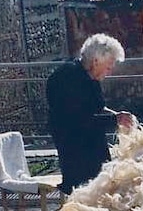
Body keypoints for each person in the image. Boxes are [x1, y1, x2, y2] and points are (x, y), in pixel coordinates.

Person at [46, 33, 135, 194]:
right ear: (96, 61)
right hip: (75, 150)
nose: (110, 71)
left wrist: (117, 115)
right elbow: (79, 120)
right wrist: (114, 119)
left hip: (92, 145)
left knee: (105, 186)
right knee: (86, 194)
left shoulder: (91, 78)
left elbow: (97, 108)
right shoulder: (66, 78)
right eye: (108, 66)